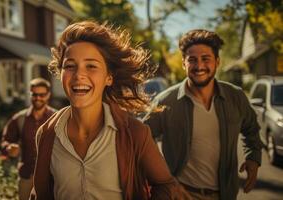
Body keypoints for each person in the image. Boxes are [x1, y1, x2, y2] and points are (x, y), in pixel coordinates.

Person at [30, 21, 189, 200]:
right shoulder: (47, 134)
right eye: (69, 66)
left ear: (109, 77)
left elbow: (166, 185)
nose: (78, 75)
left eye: (91, 66)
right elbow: (39, 193)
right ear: (61, 74)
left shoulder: (135, 133)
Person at [144, 29, 263, 200]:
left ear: (217, 62)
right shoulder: (166, 101)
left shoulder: (235, 97)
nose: (199, 66)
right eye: (192, 60)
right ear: (184, 64)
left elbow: (251, 128)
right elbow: (142, 139)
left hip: (224, 195)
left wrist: (253, 157)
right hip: (179, 195)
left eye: (205, 59)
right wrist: (164, 179)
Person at [1, 78, 56, 200]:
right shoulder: (19, 118)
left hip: (50, 178)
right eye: (34, 94)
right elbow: (6, 140)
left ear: (48, 95)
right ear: (30, 94)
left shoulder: (56, 119)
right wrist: (9, 148)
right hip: (26, 176)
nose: (38, 98)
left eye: (42, 95)